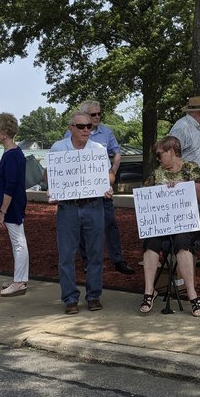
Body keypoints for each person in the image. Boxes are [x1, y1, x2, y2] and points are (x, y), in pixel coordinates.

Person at [49, 111, 115, 314]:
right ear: (71, 128)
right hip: (68, 207)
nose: (86, 129)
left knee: (95, 253)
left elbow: (107, 176)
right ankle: (70, 298)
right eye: (81, 127)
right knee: (66, 255)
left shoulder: (98, 149)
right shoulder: (59, 148)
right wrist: (52, 188)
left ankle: (94, 295)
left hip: (93, 205)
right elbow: (50, 176)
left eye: (89, 126)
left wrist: (107, 185)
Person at [139, 136, 200, 317]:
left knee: (182, 244)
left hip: (185, 222)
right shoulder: (156, 173)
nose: (158, 158)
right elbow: (144, 197)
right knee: (151, 243)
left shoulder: (191, 168)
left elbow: (199, 194)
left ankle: (192, 294)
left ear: (171, 152)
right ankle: (149, 291)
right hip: (162, 224)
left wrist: (181, 186)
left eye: (160, 154)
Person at [69, 100, 134, 275]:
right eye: (93, 115)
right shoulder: (72, 133)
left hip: (102, 189)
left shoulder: (106, 132)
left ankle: (118, 260)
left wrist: (111, 172)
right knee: (83, 226)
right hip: (81, 190)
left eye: (99, 114)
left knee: (111, 223)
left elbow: (117, 153)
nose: (97, 117)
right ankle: (87, 261)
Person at [0, 112, 29, 297]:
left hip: (13, 204)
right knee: (18, 241)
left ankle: (20, 281)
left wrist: (2, 212)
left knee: (18, 242)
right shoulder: (11, 153)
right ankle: (19, 277)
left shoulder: (12, 155)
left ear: (4, 133)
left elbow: (11, 186)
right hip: (14, 203)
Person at [169, 95, 200, 172]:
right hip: (183, 180)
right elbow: (170, 158)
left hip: (193, 179)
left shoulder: (197, 127)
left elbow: (191, 154)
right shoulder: (182, 128)